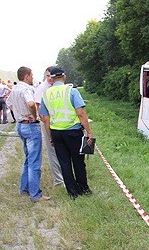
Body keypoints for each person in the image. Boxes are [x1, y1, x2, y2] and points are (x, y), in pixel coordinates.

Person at [40, 66, 93, 199]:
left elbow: (45, 119)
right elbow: (80, 113)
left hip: (56, 132)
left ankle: (72, 192)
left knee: (64, 163)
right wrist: (89, 132)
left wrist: (50, 136)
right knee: (78, 161)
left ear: (51, 78)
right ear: (64, 76)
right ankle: (83, 188)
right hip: (73, 132)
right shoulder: (72, 91)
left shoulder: (46, 95)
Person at [6, 66, 50, 202]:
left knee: (28, 159)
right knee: (34, 161)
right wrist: (34, 115)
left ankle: (24, 188)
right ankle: (35, 194)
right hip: (30, 126)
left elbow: (9, 103)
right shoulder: (27, 89)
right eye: (31, 75)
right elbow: (31, 103)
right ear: (26, 76)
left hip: (20, 125)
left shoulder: (15, 89)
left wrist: (18, 114)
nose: (32, 77)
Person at [34, 66, 64, 186]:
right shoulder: (42, 88)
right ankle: (58, 180)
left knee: (62, 150)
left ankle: (65, 174)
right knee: (52, 152)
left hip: (60, 123)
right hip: (48, 123)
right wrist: (47, 124)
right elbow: (38, 106)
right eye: (47, 76)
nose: (50, 78)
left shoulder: (60, 88)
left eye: (51, 75)